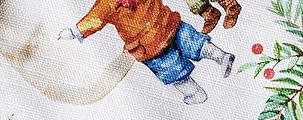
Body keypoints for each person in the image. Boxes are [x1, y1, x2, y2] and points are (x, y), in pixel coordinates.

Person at [57, 0, 235, 104]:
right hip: (165, 28)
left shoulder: (106, 3)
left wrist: (75, 31)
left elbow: (94, 20)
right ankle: (220, 58)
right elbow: (94, 19)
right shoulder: (107, 3)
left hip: (153, 43)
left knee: (174, 68)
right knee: (191, 45)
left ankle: (197, 91)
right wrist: (76, 30)